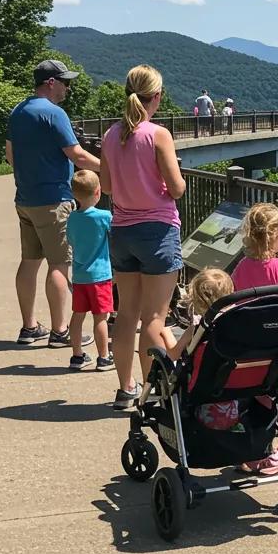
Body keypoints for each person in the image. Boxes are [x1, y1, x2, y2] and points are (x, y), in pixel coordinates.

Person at [100, 65, 186, 410]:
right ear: (158, 97)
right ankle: (155, 396)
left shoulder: (110, 135)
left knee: (127, 315)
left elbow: (105, 186)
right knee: (154, 318)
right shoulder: (158, 135)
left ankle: (126, 389)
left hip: (121, 231)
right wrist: (164, 183)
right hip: (158, 231)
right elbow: (177, 188)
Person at [6, 59, 100, 347]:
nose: (67, 88)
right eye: (65, 82)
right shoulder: (54, 114)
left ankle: (29, 327)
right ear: (51, 82)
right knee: (60, 264)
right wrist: (110, 170)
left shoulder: (18, 111)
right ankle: (60, 331)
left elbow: (10, 155)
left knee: (30, 261)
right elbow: (78, 155)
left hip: (25, 198)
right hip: (54, 200)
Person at [230, 202, 278, 475]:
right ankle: (267, 452)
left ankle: (246, 450)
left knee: (247, 398)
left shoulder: (242, 267)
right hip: (276, 351)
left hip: (247, 352)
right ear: (276, 237)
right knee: (276, 398)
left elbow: (233, 301)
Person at [66, 169, 116, 372]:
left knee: (77, 315)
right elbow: (115, 235)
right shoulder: (104, 216)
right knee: (100, 317)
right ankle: (104, 357)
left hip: (79, 276)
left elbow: (70, 240)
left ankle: (77, 356)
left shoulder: (72, 218)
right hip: (100, 276)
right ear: (98, 192)